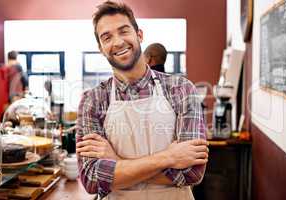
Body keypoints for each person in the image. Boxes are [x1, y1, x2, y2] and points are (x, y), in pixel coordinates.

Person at [76, 1, 208, 200]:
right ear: (101, 48)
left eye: (124, 31)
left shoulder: (181, 89)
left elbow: (191, 173)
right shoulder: (92, 100)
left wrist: (116, 162)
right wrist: (169, 157)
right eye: (107, 37)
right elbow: (92, 180)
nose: (118, 42)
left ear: (139, 35)